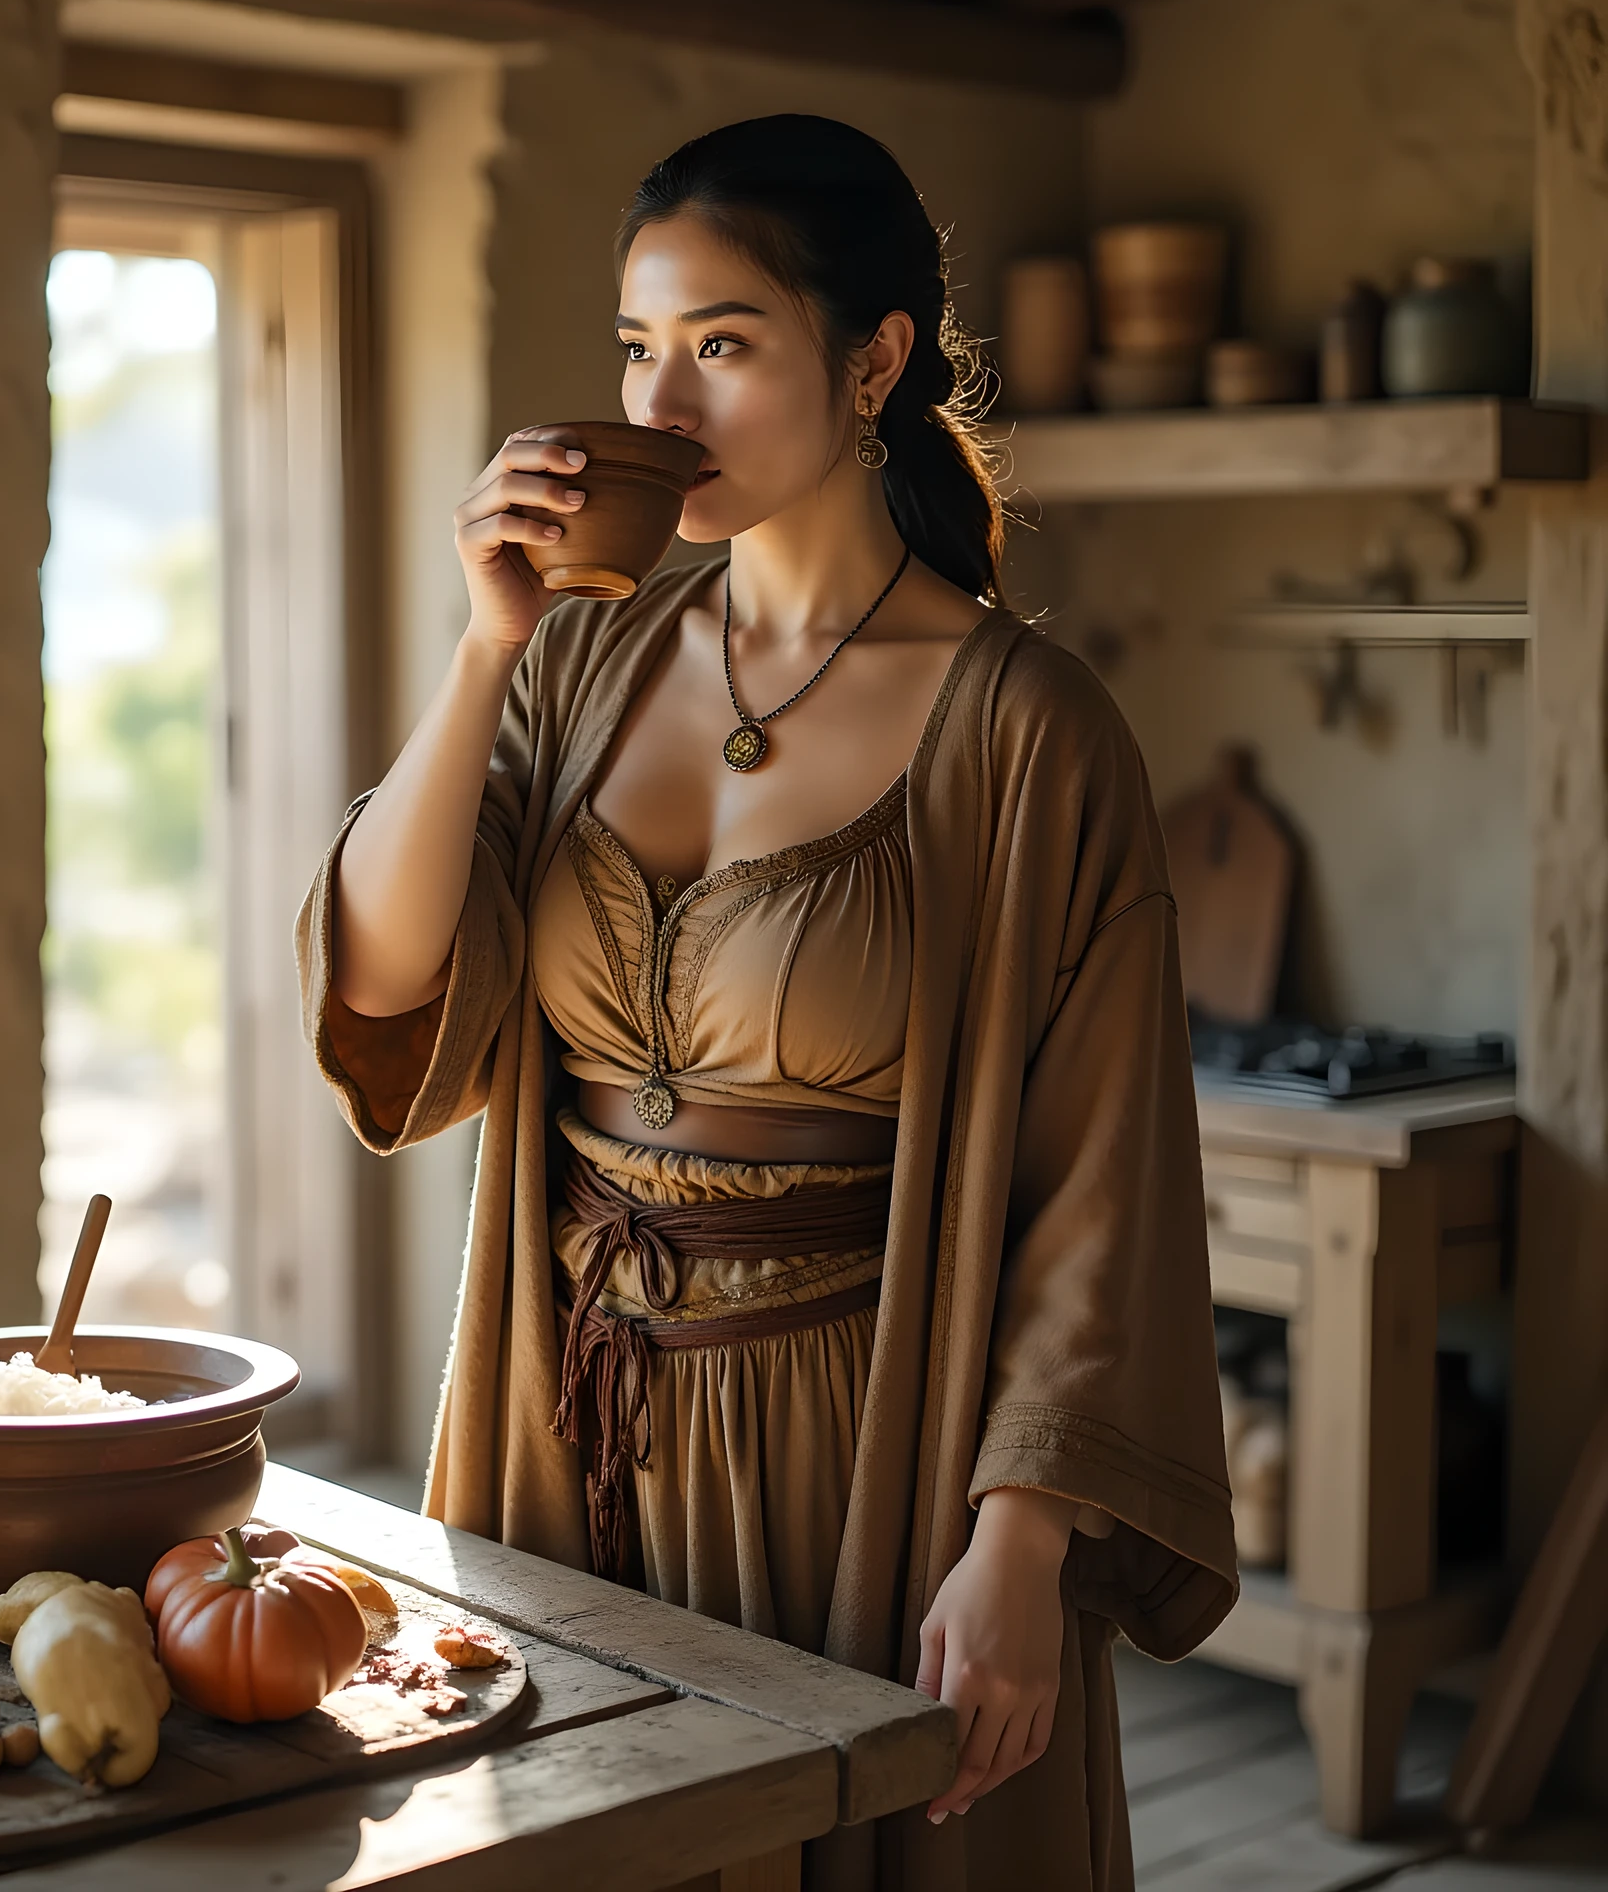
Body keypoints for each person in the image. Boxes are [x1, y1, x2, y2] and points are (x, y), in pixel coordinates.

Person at [297, 114, 1235, 1890]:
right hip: (557, 1429)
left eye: (722, 345)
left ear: (874, 360)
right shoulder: (573, 660)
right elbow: (386, 976)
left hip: (867, 1446)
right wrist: (483, 640)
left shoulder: (1030, 731)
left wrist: (1019, 1548)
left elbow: (1103, 1183)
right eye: (638, 349)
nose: (660, 410)